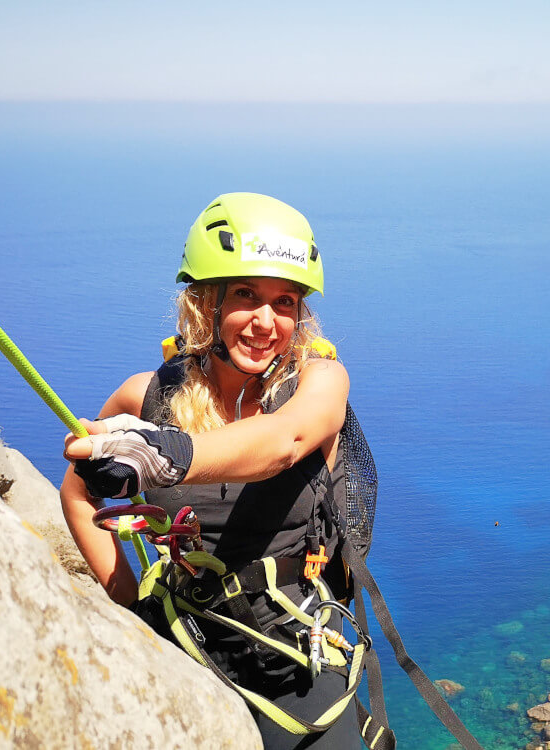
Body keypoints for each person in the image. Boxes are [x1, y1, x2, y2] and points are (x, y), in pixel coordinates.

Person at [60, 192, 362, 749]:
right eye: (246, 295)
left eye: (286, 301)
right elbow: (79, 495)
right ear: (207, 303)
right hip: (183, 638)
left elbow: (285, 442)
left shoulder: (321, 383)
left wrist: (167, 455)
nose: (266, 322)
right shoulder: (146, 398)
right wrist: (127, 604)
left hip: (294, 659)